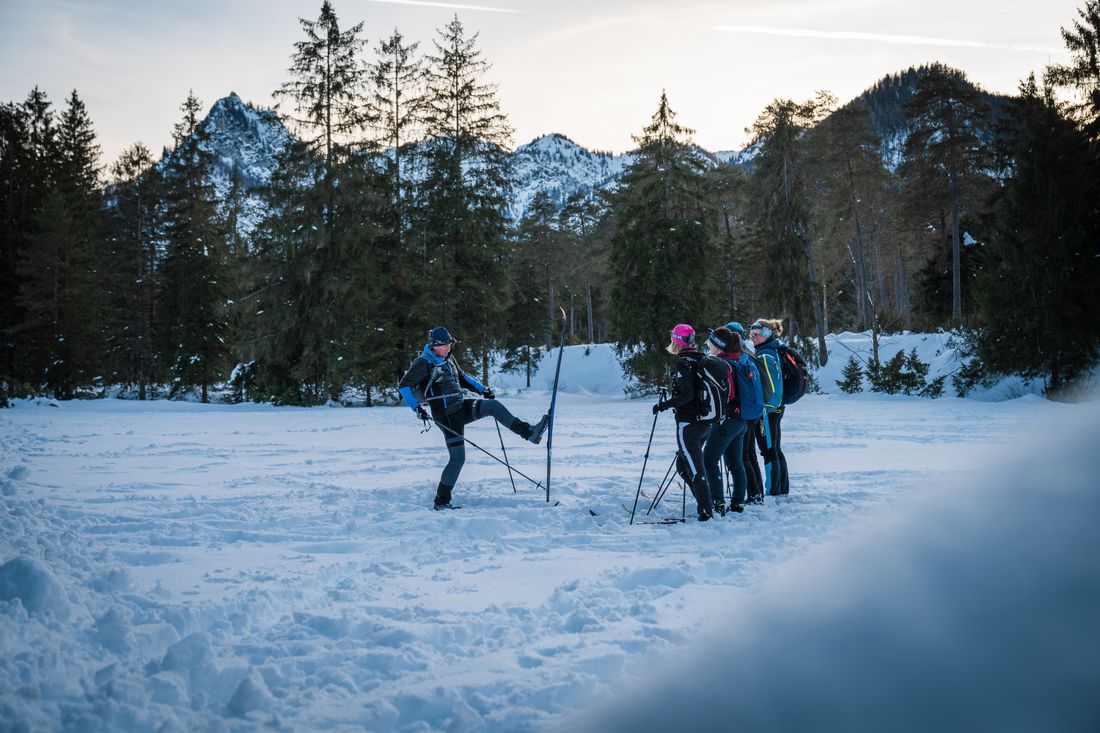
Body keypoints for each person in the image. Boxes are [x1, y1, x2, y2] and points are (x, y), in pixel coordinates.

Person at [398, 326, 549, 509]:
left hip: (459, 407)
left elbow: (463, 378)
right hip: (445, 416)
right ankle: (441, 502)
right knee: (458, 458)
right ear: (435, 346)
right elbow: (404, 386)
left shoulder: (449, 359)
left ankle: (529, 433)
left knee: (492, 406)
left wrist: (482, 390)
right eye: (445, 345)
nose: (448, 348)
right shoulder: (423, 362)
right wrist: (417, 409)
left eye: (449, 344)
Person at [652, 324, 715, 522]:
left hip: (688, 425)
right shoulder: (701, 359)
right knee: (683, 464)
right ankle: (705, 502)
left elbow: (687, 395)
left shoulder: (683, 363)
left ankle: (706, 512)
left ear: (677, 341)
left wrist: (665, 404)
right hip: (705, 422)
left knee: (696, 469)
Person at [701, 327, 747, 516]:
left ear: (718, 346)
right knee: (735, 462)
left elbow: (725, 395)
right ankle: (737, 503)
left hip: (727, 420)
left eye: (710, 342)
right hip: (741, 419)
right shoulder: (737, 359)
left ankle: (717, 501)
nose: (708, 345)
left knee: (708, 459)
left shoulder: (721, 364)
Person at [749, 319, 790, 497]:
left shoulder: (765, 354)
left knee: (769, 450)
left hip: (770, 410)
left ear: (766, 334)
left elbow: (774, 387)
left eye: (757, 334)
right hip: (776, 408)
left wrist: (767, 407)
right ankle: (782, 488)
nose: (753, 338)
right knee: (775, 449)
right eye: (751, 335)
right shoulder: (772, 349)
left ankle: (773, 490)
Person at [725, 321, 765, 505]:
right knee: (749, 454)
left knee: (743, 456)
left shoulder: (738, 357)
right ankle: (757, 492)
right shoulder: (749, 354)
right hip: (754, 411)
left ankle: (754, 494)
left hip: (744, 412)